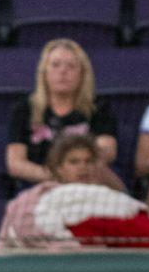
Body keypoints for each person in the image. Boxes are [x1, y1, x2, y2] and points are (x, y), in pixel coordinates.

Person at [0, 134, 149, 249]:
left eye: (88, 161)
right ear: (59, 168)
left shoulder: (109, 197)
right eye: (74, 162)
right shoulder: (38, 197)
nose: (82, 167)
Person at [6, 39, 119, 188]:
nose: (63, 71)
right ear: (44, 72)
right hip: (40, 186)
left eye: (71, 66)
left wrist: (75, 173)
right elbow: (15, 163)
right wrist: (58, 177)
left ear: (82, 74)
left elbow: (106, 151)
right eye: (55, 65)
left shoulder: (98, 108)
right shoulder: (25, 109)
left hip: (87, 186)